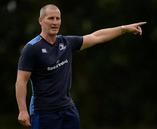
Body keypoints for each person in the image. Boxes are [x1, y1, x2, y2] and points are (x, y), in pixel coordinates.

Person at [15, 4, 146, 129]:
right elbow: (21, 81)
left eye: (58, 18)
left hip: (68, 110)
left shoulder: (66, 43)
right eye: (50, 18)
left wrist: (124, 29)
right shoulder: (32, 48)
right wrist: (22, 110)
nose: (55, 22)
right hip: (44, 113)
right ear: (41, 21)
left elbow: (96, 36)